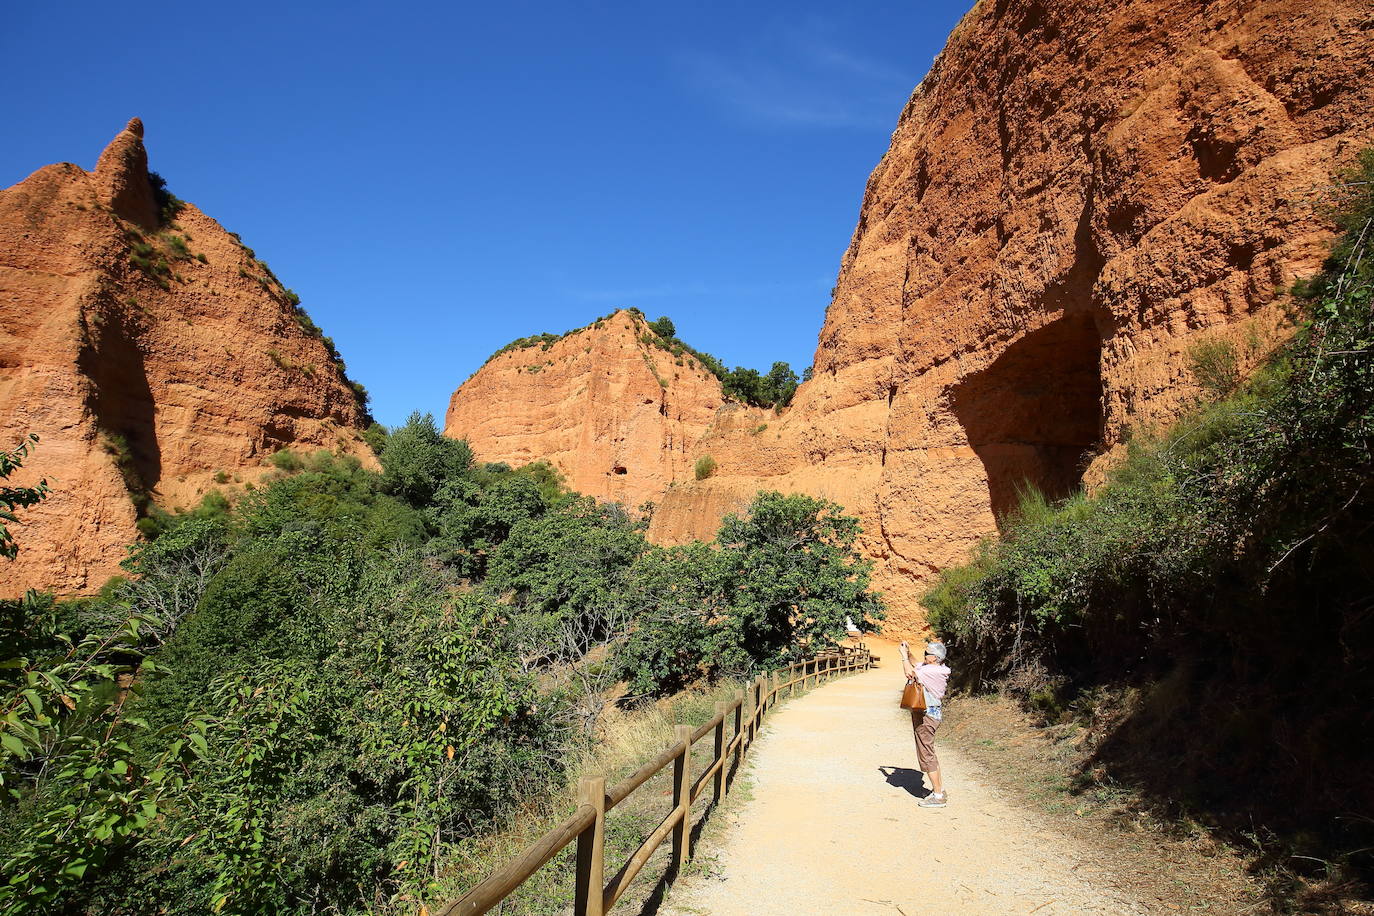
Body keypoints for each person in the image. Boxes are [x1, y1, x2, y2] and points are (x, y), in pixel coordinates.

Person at [901, 639, 950, 808]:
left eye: (927, 653)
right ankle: (939, 790)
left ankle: (937, 796)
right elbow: (917, 664)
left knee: (926, 754)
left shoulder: (931, 672)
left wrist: (902, 657)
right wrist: (908, 653)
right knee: (929, 752)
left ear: (934, 658)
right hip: (930, 715)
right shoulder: (937, 668)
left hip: (926, 717)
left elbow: (910, 672)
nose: (924, 655)